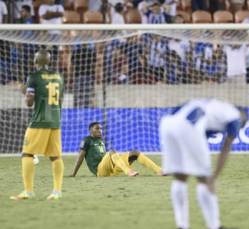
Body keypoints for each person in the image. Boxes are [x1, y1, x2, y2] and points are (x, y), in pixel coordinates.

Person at [159, 98, 248, 229]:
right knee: (204, 180)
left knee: (180, 177)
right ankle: (215, 228)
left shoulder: (217, 108)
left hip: (167, 123)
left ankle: (182, 228)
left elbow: (199, 139)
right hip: (187, 126)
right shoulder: (235, 117)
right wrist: (214, 177)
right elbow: (225, 149)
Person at [10, 49, 65, 201]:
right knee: (56, 157)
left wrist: (24, 91)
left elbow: (29, 102)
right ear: (49, 61)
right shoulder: (59, 77)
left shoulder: (33, 77)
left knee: (27, 154)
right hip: (55, 119)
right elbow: (60, 100)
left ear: (35, 62)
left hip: (39, 120)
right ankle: (57, 191)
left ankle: (28, 191)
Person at [70, 122, 162, 177]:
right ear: (90, 130)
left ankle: (159, 170)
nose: (100, 130)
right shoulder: (87, 140)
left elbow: (106, 158)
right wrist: (74, 173)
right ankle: (128, 171)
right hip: (100, 171)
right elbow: (80, 157)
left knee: (135, 153)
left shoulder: (101, 141)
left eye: (101, 128)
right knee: (111, 152)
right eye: (97, 128)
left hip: (111, 170)